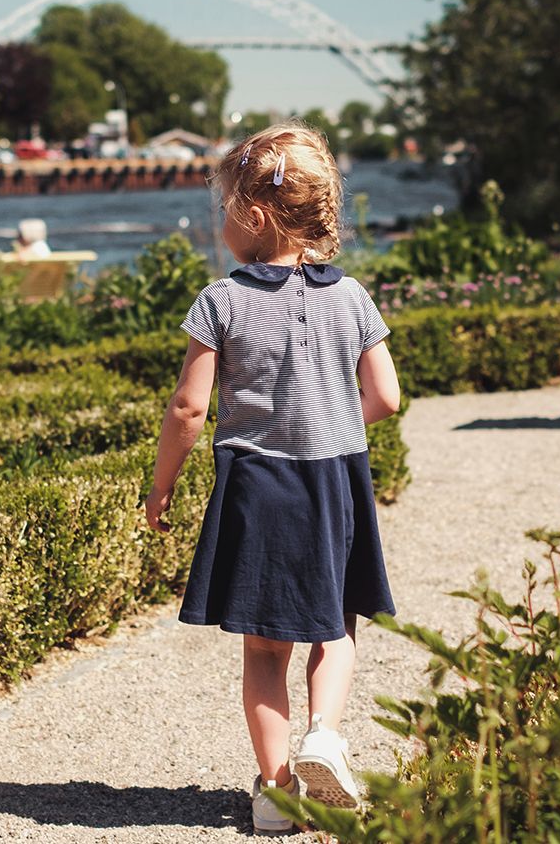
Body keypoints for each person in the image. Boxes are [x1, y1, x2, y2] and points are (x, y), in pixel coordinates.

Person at [142, 121, 401, 834]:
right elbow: (386, 398)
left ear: (253, 216)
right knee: (335, 626)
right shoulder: (353, 297)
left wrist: (161, 485)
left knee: (264, 647)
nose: (220, 222)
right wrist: (331, 424)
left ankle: (276, 790)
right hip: (334, 482)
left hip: (257, 486)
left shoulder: (219, 302)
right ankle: (323, 734)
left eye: (224, 208)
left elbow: (190, 408)